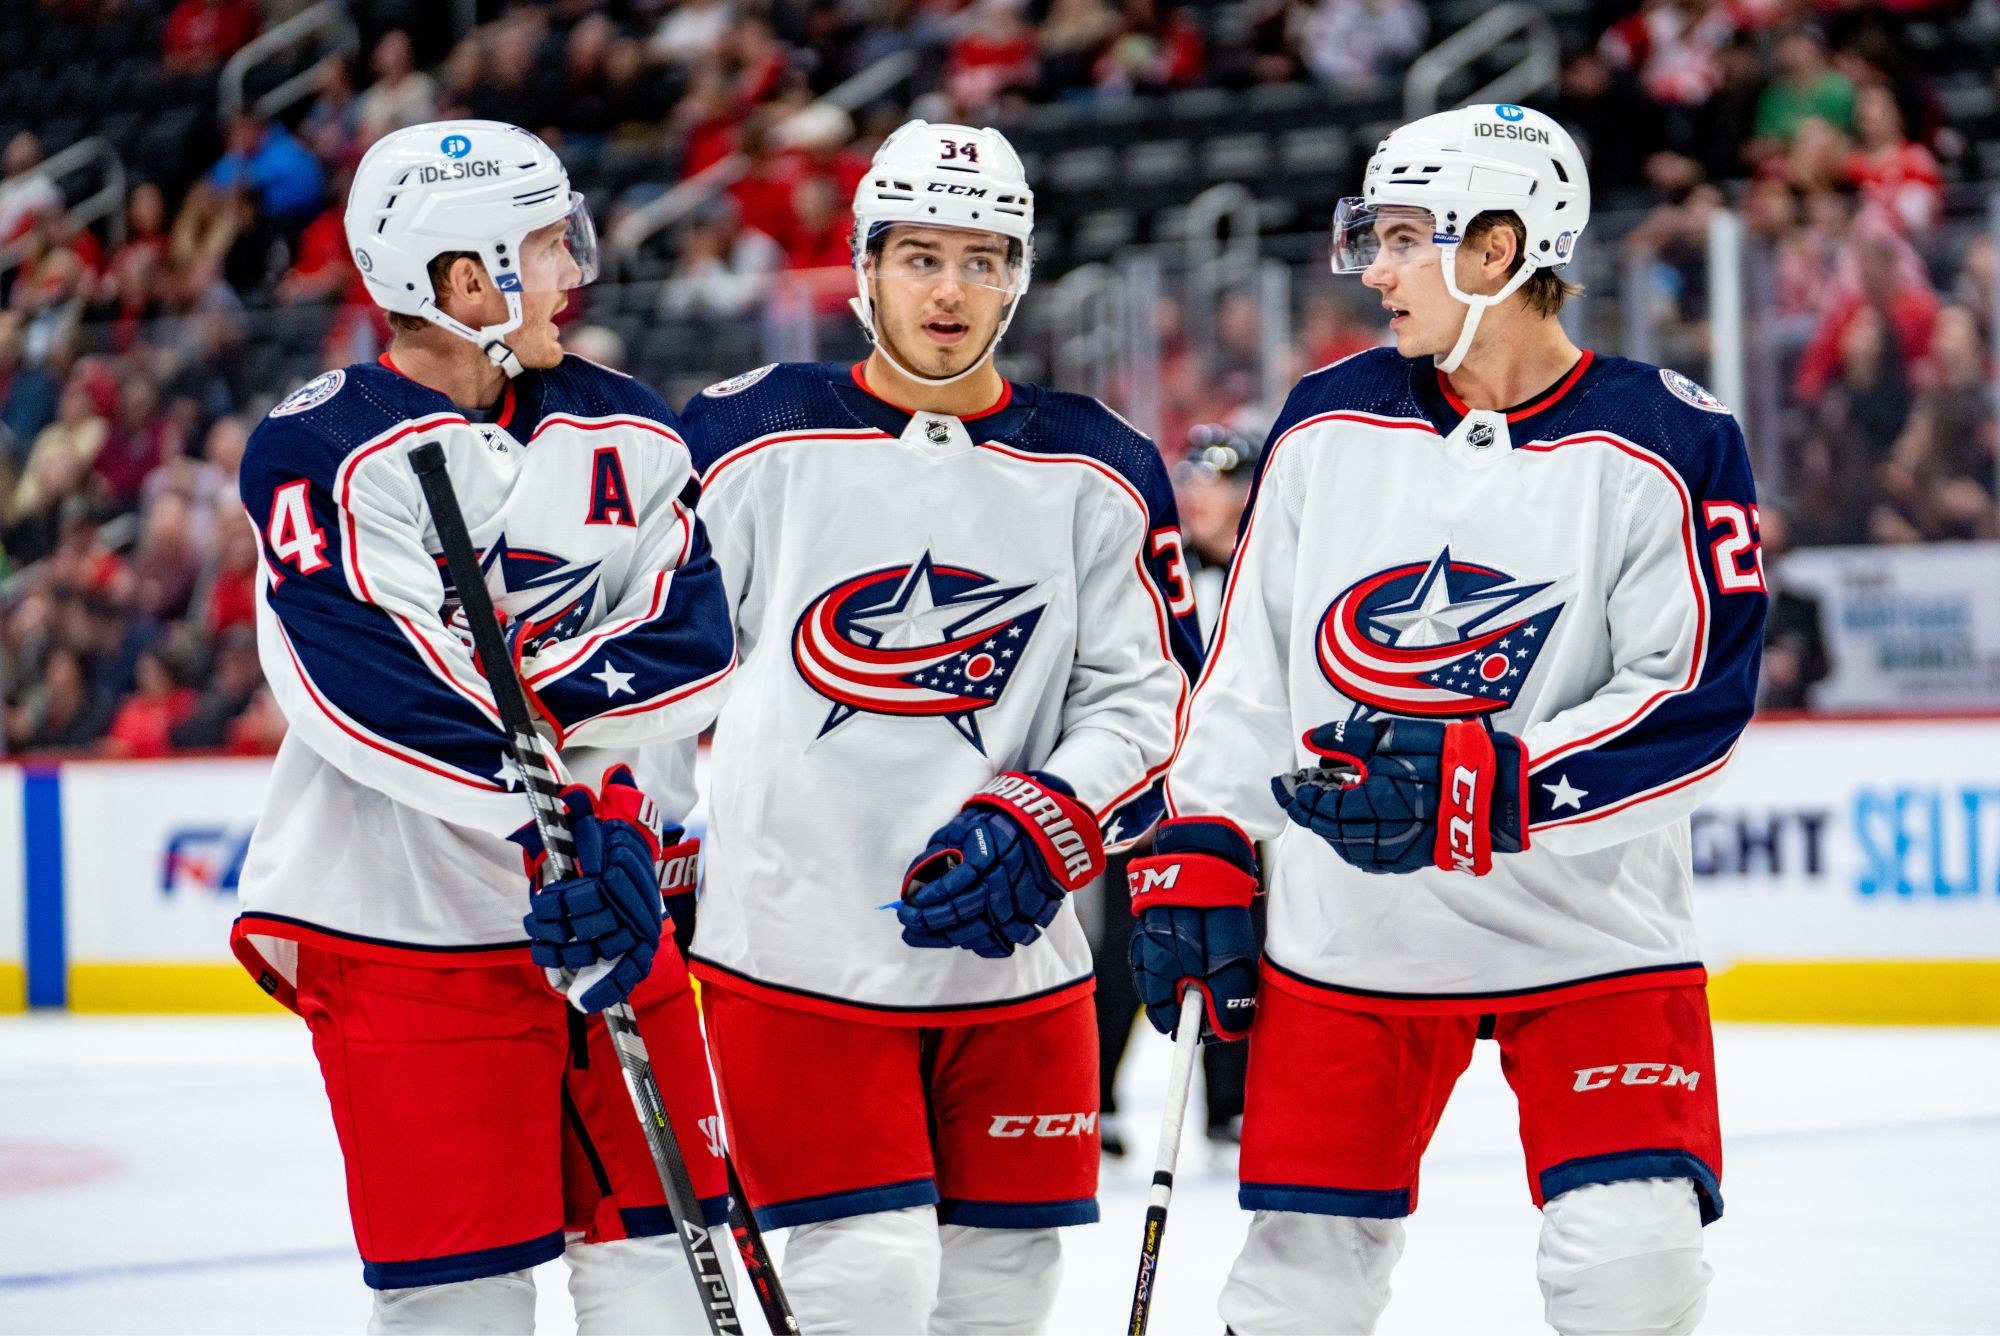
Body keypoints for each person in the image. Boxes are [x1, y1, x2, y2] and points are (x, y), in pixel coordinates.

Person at [1125, 104, 1766, 1334]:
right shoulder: (1325, 416)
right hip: (1349, 935)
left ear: (1497, 247)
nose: (1372, 269)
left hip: (1587, 935)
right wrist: (1203, 832)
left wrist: (1492, 784)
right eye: (1370, 236)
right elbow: (1249, 668)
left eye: (1402, 238)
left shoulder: (1669, 436)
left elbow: (1694, 698)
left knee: (1629, 1270)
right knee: (1295, 1293)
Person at [678, 119, 1202, 1332]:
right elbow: (653, 669)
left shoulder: (1099, 462)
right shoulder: (749, 435)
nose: (950, 292)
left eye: (981, 260)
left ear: (1017, 275)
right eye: (920, 258)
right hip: (795, 954)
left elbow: (1147, 695)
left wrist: (1051, 814)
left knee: (1002, 1290)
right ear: (863, 265)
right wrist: (647, 829)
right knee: (863, 1279)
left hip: (1016, 957)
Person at [228, 119, 739, 1334]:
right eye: (548, 245)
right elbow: (369, 685)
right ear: (466, 281)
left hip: (610, 898)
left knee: (670, 1275)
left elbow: (693, 637)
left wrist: (597, 815)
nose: (575, 269)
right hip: (409, 931)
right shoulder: (322, 448)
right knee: (457, 1304)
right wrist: (552, 809)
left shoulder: (625, 423)